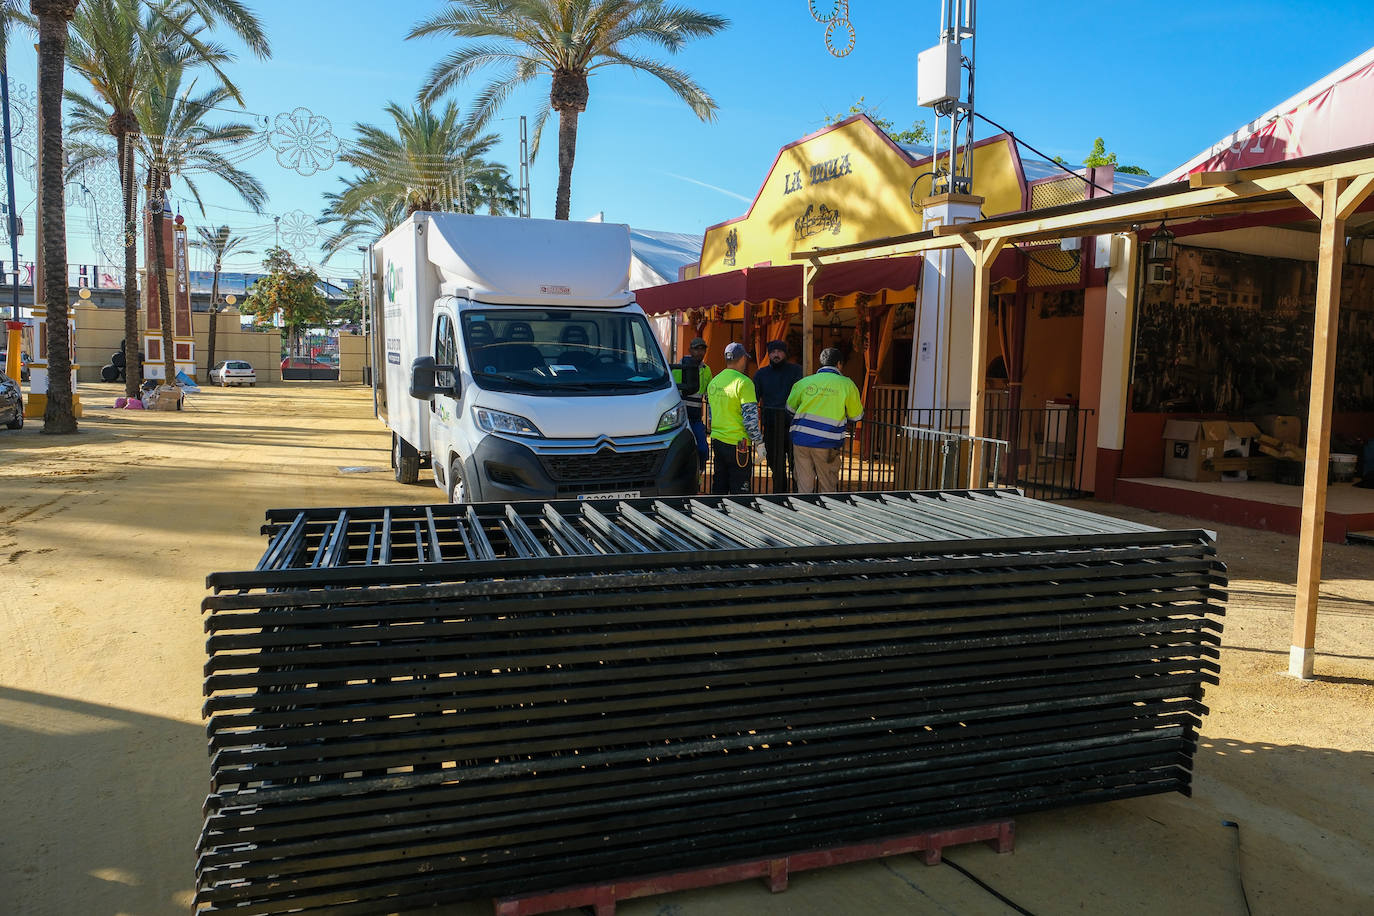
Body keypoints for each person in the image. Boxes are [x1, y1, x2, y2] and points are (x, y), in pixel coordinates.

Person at [787, 347, 863, 493]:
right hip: (827, 442)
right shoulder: (847, 384)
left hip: (801, 439)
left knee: (804, 485)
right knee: (827, 486)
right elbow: (856, 416)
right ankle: (825, 513)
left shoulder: (804, 382)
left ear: (821, 362)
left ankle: (804, 512)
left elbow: (790, 408)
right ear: (839, 364)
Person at [704, 341, 764, 494]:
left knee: (719, 484)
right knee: (740, 489)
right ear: (743, 358)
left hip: (717, 440)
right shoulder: (744, 383)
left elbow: (710, 415)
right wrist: (759, 442)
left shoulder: (714, 382)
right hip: (739, 443)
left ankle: (716, 515)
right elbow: (750, 419)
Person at [752, 339, 803, 492]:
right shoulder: (761, 374)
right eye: (773, 352)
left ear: (785, 353)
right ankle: (779, 496)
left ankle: (797, 496)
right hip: (771, 425)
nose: (776, 355)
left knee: (797, 464)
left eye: (779, 351)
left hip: (794, 425)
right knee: (775, 464)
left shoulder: (796, 371)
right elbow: (753, 398)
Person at [673, 337, 713, 475]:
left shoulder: (706, 370)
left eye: (702, 349)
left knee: (702, 449)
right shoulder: (680, 366)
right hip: (680, 419)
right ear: (690, 350)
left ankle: (700, 475)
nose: (700, 352)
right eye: (697, 348)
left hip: (696, 418)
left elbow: (710, 396)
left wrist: (711, 418)